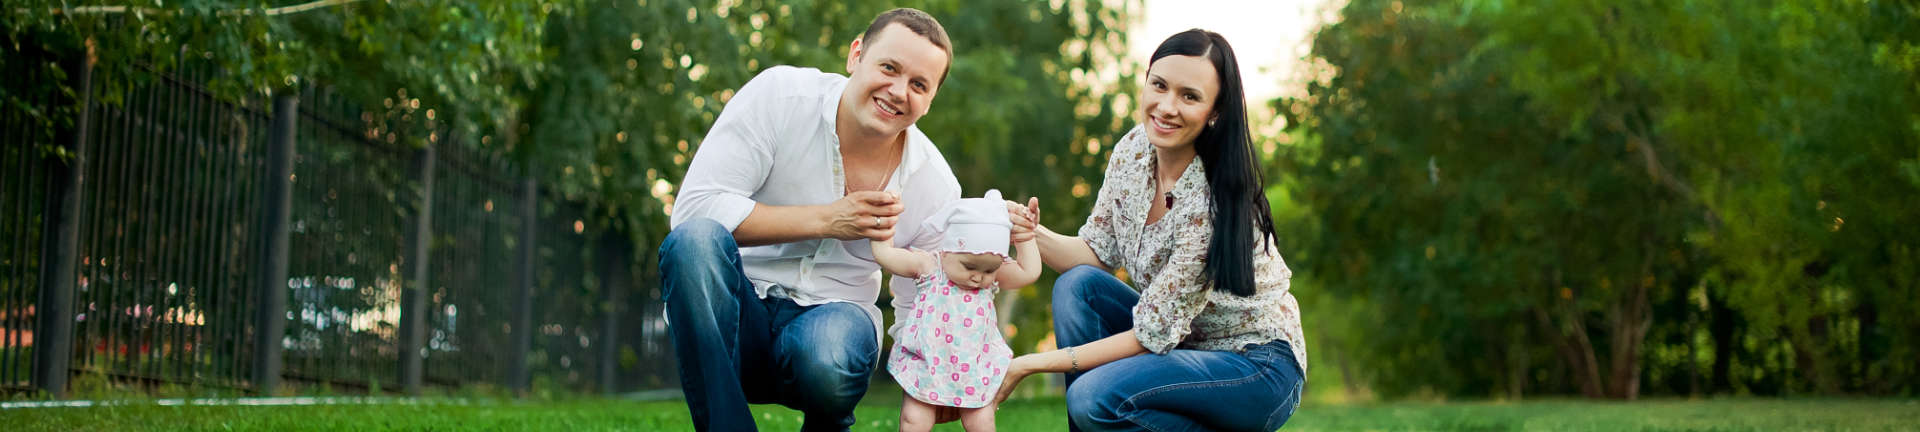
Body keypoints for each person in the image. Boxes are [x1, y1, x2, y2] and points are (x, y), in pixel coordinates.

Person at [658, 8, 1032, 431]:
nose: (897, 91)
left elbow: (927, 298)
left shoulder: (934, 183)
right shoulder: (780, 96)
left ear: (929, 102)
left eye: (918, 85)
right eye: (889, 67)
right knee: (693, 243)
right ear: (856, 55)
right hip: (736, 314)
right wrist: (827, 219)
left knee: (831, 354)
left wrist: (933, 384)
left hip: (831, 324)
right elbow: (693, 211)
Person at [992, 29, 1308, 431]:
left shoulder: (1212, 199)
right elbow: (1094, 254)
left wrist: (1027, 364)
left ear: (1214, 111)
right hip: (1180, 347)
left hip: (1255, 366)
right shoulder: (1134, 150)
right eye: (1159, 86)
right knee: (1079, 287)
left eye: (1189, 96)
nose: (1167, 106)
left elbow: (1150, 333)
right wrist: (1023, 230)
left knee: (1092, 397)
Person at [871, 190, 1041, 432]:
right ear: (948, 250)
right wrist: (882, 225)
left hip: (975, 367)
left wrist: (1025, 236)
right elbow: (886, 256)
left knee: (981, 421)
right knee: (915, 419)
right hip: (928, 364)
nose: (978, 277)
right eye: (969, 266)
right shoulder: (930, 267)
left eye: (989, 270)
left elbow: (1028, 272)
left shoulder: (989, 279)